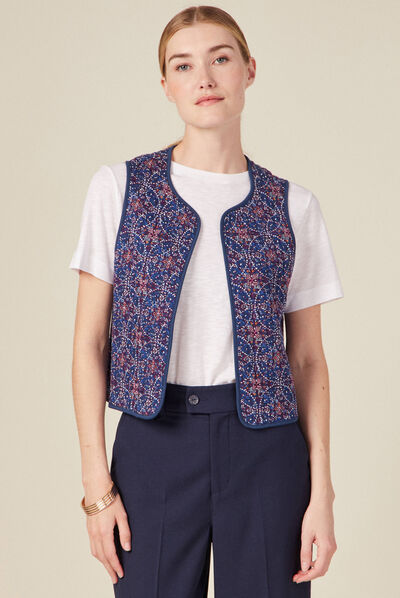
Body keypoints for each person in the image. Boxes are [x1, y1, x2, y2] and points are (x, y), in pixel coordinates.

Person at [69, 6, 343, 597]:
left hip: (267, 449)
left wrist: (321, 491)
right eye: (183, 65)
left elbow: (307, 360)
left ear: (249, 70)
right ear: (165, 84)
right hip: (153, 444)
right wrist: (97, 487)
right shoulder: (119, 188)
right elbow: (90, 342)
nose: (205, 79)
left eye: (221, 59)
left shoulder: (294, 207)